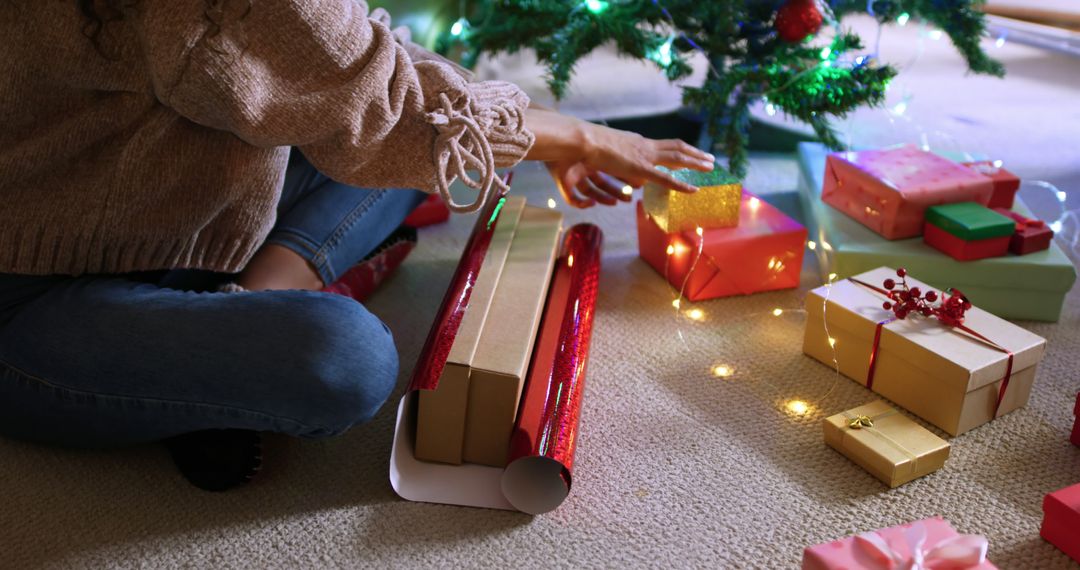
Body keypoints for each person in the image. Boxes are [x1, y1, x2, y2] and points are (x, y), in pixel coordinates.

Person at [0, 0, 714, 491]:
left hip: (181, 193)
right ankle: (223, 356)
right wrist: (581, 134)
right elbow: (377, 101)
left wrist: (535, 132)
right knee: (347, 359)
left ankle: (243, 312)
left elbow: (366, 60)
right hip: (37, 284)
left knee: (437, 159)